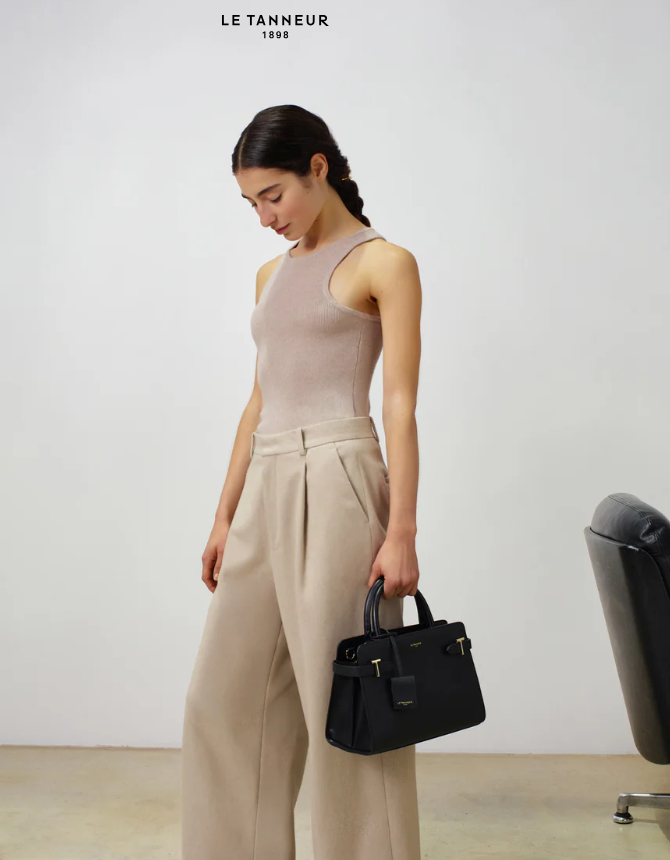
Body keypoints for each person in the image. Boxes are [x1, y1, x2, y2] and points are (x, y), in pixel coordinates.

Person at [181, 104, 424, 860]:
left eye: (273, 195)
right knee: (224, 698)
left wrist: (402, 531)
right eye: (250, 203)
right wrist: (225, 516)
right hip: (268, 480)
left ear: (319, 167)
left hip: (341, 477)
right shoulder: (270, 274)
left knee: (345, 700)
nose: (264, 217)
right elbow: (259, 401)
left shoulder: (385, 263)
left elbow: (401, 405)